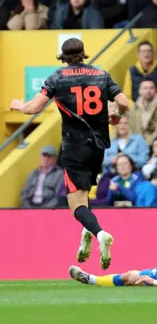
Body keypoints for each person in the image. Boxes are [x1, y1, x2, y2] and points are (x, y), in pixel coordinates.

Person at [9, 38, 129, 270]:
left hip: (74, 147)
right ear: (84, 54)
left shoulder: (57, 77)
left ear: (63, 57)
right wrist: (116, 115)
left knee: (76, 206)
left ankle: (100, 234)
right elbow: (124, 102)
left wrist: (17, 105)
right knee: (84, 195)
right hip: (98, 146)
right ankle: (87, 237)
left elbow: (33, 108)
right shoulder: (102, 75)